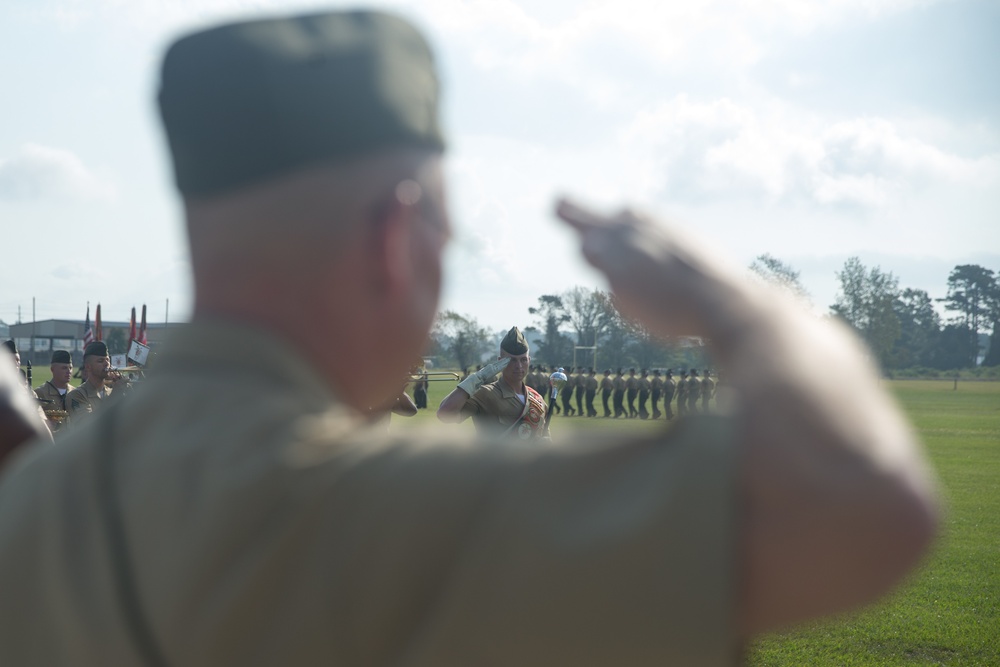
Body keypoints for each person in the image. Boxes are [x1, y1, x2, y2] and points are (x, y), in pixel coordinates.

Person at [0, 10, 938, 666]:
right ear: (393, 240)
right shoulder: (390, 511)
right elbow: (864, 505)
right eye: (446, 236)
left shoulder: (34, 501)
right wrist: (735, 301)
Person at [437, 327, 548, 439]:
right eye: (512, 360)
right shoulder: (485, 393)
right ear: (500, 361)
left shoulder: (537, 399)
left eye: (523, 360)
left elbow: (545, 436)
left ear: (529, 360)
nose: (519, 366)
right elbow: (445, 414)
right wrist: (478, 377)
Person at [64, 341, 131, 425]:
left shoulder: (111, 391)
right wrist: (114, 396)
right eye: (100, 361)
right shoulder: (76, 395)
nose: (106, 364)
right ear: (88, 367)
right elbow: (87, 425)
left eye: (107, 360)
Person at [34, 350, 75, 433]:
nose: (69, 371)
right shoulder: (40, 393)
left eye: (70, 368)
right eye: (64, 368)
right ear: (53, 369)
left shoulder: (75, 393)